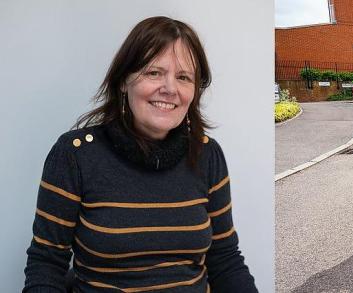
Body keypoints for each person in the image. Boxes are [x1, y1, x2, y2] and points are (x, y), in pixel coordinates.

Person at [23, 16, 257, 292]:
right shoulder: (75, 155)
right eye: (154, 72)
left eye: (183, 77)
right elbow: (46, 263)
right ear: (124, 80)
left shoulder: (207, 154)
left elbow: (225, 258)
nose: (170, 89)